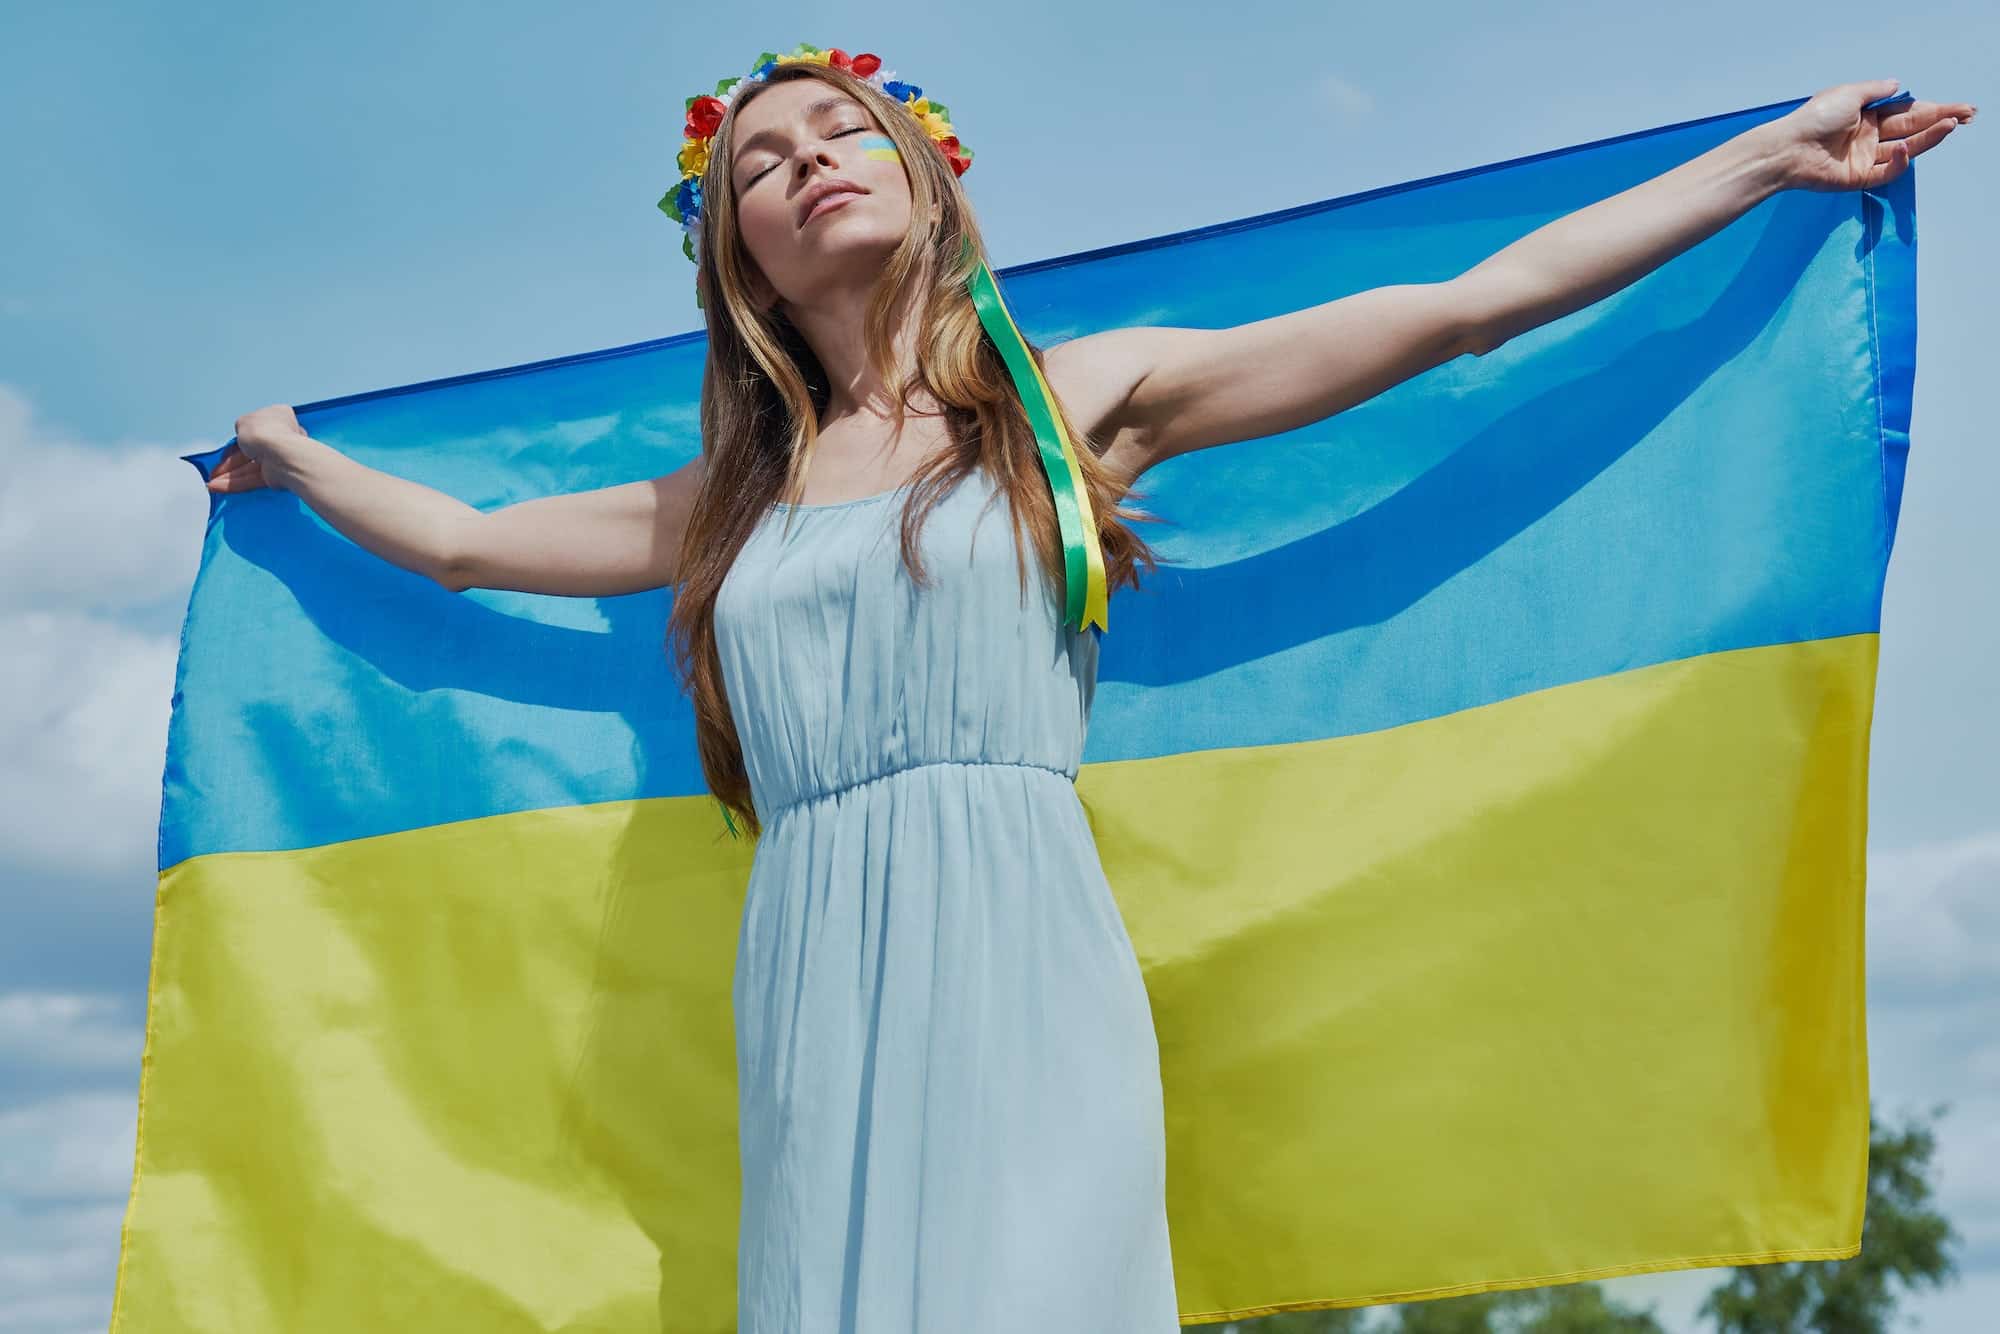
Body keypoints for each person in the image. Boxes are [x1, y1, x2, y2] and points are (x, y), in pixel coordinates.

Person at [210, 45, 1970, 1332]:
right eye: (763, 160)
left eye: (847, 127)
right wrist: (295, 458)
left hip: (1018, 932)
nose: (812, 157)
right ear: (732, 250)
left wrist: (1760, 164)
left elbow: (1463, 307)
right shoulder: (726, 501)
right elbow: (455, 542)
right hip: (813, 955)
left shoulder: (1075, 402)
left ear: (928, 178)